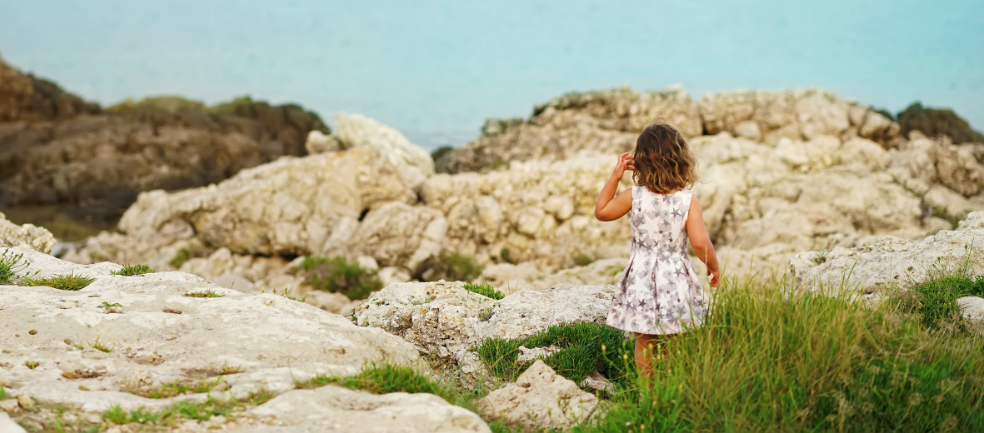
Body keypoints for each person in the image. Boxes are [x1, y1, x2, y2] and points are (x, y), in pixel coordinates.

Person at [593, 120, 721, 379]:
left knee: (644, 339)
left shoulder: (634, 196)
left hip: (641, 275)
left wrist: (615, 176)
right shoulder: (688, 201)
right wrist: (713, 266)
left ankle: (648, 394)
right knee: (676, 338)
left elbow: (602, 212)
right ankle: (671, 389)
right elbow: (699, 242)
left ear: (640, 162)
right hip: (674, 277)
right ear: (681, 161)